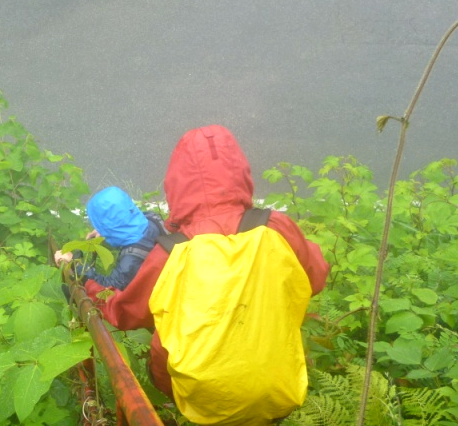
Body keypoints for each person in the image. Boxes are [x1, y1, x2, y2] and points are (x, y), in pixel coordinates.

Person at [87, 125, 329, 397]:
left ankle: (195, 425)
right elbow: (316, 277)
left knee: (163, 348)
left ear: (176, 184)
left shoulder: (171, 251)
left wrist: (89, 285)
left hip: (198, 398)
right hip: (279, 389)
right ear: (240, 171)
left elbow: (126, 313)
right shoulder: (276, 227)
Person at [54, 186, 165, 291]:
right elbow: (126, 218)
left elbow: (108, 289)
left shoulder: (131, 261)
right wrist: (105, 230)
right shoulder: (151, 218)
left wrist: (75, 265)